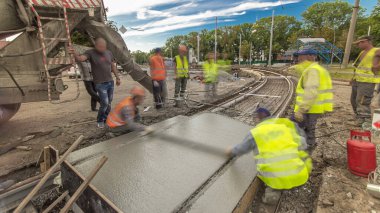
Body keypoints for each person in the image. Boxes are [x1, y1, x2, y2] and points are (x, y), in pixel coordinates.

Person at [226, 108, 311, 205]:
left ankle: (272, 192)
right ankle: (293, 185)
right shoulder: (284, 127)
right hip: (299, 175)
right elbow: (303, 144)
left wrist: (231, 151)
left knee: (272, 176)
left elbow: (241, 149)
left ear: (257, 119)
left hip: (276, 178)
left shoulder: (256, 132)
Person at [72, 38, 121, 128]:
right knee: (105, 103)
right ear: (96, 46)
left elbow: (112, 66)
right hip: (100, 83)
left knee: (109, 102)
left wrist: (117, 78)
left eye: (104, 47)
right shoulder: (90, 53)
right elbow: (80, 59)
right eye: (100, 47)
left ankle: (106, 118)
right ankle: (100, 120)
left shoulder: (109, 53)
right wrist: (74, 53)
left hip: (110, 82)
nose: (102, 49)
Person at [293, 49, 333, 146]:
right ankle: (307, 149)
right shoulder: (317, 69)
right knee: (308, 131)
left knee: (306, 132)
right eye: (298, 56)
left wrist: (301, 110)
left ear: (311, 56)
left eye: (302, 56)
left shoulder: (313, 70)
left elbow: (311, 92)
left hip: (309, 109)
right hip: (314, 107)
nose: (299, 58)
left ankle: (306, 153)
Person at [350, 36, 380, 124]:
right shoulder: (362, 52)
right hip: (357, 79)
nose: (358, 45)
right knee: (353, 99)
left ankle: (364, 120)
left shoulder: (377, 50)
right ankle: (358, 116)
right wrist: (353, 78)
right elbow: (358, 66)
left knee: (363, 100)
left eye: (359, 43)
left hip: (368, 80)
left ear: (366, 41)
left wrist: (376, 67)